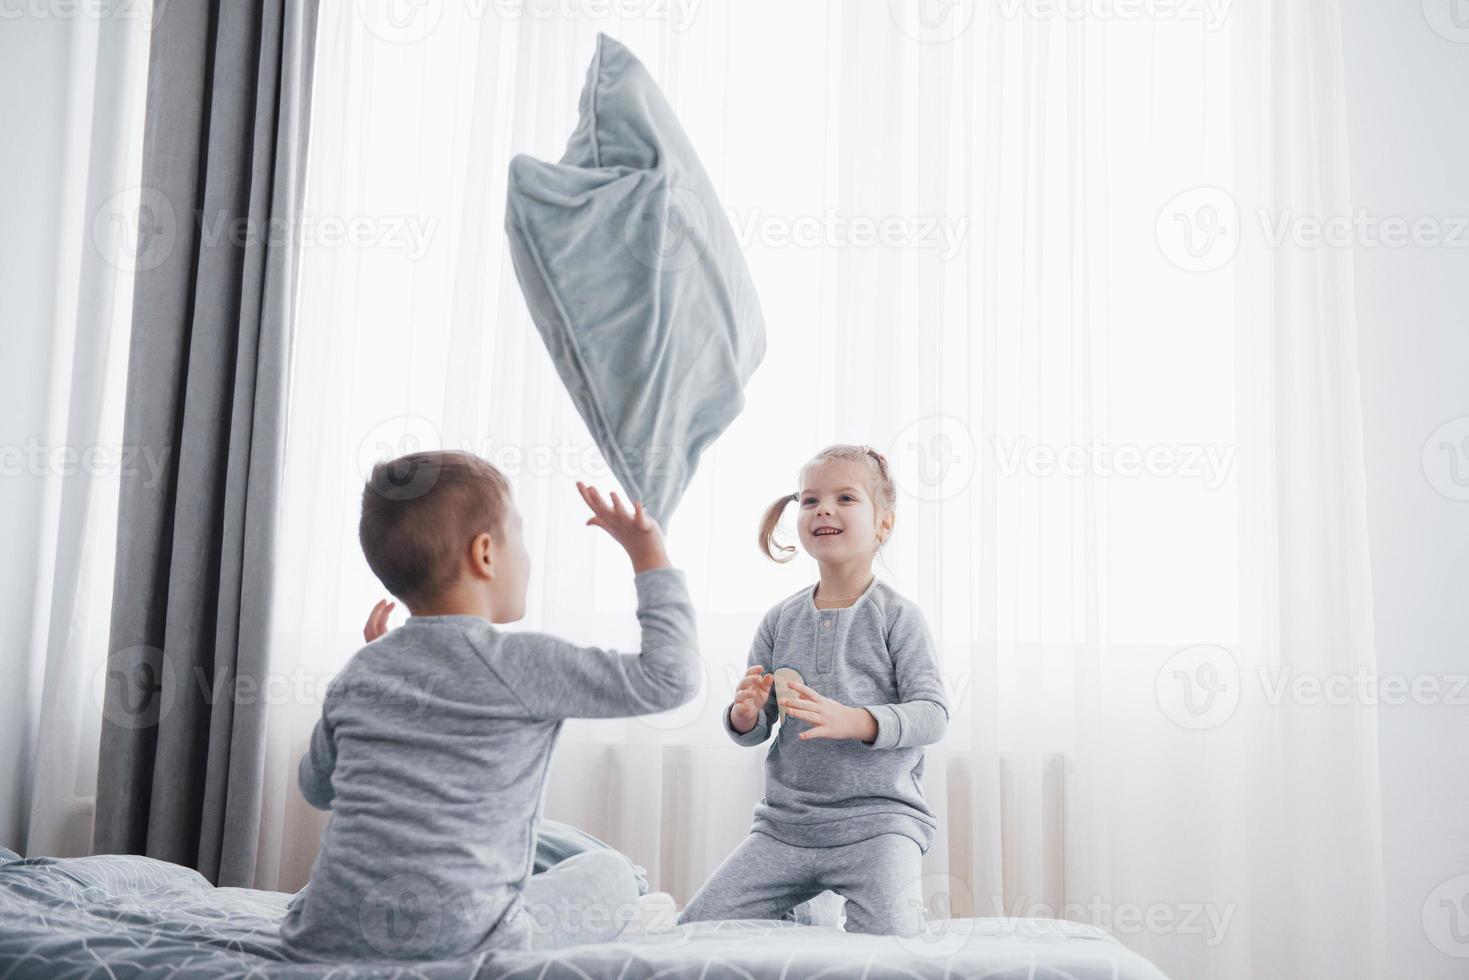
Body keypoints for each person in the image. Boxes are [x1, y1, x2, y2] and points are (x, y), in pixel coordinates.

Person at [281, 451, 698, 961]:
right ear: (485, 554)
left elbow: (316, 787)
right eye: (518, 533)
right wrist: (649, 554)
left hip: (324, 933)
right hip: (465, 941)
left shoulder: (362, 670)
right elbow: (671, 680)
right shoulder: (521, 662)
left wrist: (369, 676)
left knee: (533, 835)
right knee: (612, 872)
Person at [678, 445, 947, 936]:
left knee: (895, 945)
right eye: (809, 500)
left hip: (879, 826)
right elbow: (758, 728)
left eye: (846, 498)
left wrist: (858, 721)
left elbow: (933, 714)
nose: (824, 509)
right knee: (695, 929)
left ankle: (815, 905)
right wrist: (744, 715)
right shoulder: (779, 620)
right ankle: (808, 908)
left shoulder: (898, 617)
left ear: (883, 524)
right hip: (786, 828)